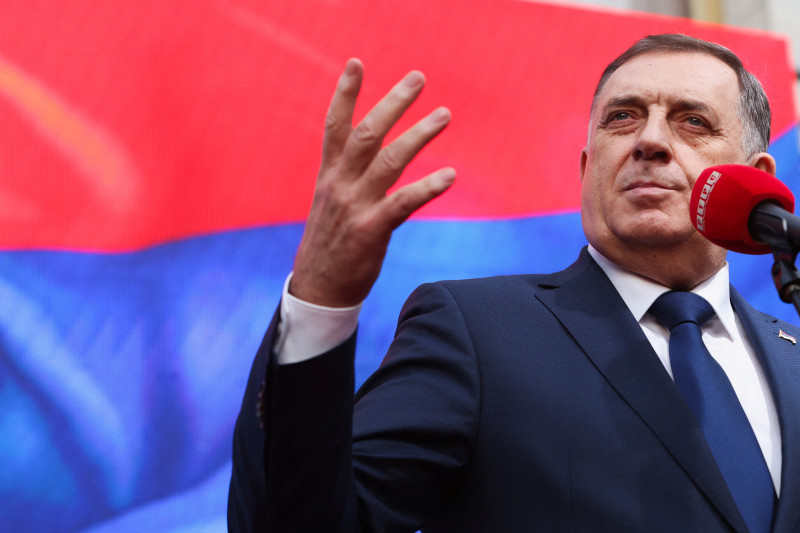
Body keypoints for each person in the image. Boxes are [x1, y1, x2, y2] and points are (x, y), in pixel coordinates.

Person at [228, 34, 800, 532]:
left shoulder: (793, 360)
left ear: (757, 178)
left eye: (691, 121)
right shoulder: (478, 332)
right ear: (586, 169)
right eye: (621, 117)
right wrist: (319, 299)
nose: (648, 141)